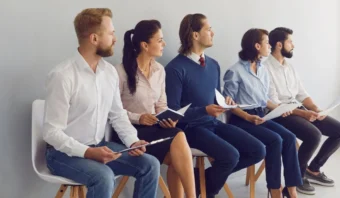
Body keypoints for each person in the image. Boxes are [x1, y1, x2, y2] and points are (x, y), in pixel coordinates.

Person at [43, 8, 160, 198]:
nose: (115, 38)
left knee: (150, 165)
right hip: (62, 154)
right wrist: (88, 152)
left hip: (98, 146)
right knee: (104, 176)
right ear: (94, 39)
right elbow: (51, 133)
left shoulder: (109, 72)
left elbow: (117, 114)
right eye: (111, 33)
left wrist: (133, 140)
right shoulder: (63, 76)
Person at [165, 14, 266, 198]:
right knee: (230, 156)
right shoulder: (175, 68)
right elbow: (173, 113)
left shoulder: (213, 65)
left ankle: (196, 182)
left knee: (258, 149)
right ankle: (205, 193)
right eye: (208, 29)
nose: (213, 32)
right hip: (189, 129)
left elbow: (215, 98)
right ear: (195, 35)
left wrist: (225, 103)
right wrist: (204, 110)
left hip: (212, 124)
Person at [113, 19, 196, 198]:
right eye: (159, 40)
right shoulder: (120, 72)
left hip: (154, 129)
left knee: (177, 139)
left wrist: (167, 119)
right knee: (179, 138)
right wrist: (138, 118)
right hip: (129, 132)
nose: (164, 44)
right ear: (145, 45)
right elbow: (113, 111)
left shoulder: (160, 70)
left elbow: (161, 106)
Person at [223, 28, 302, 198]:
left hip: (260, 116)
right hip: (242, 119)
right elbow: (228, 104)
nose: (269, 45)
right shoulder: (235, 71)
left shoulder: (262, 69)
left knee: (289, 138)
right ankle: (275, 191)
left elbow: (264, 99)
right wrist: (247, 116)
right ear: (257, 46)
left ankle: (292, 191)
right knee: (275, 140)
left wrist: (280, 109)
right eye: (266, 43)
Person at [264, 27, 340, 195]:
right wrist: (304, 113)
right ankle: (296, 178)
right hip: (280, 114)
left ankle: (313, 169)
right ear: (278, 44)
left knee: (338, 130)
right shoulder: (265, 68)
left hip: (297, 109)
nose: (293, 45)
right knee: (313, 135)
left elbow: (302, 94)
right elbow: (274, 103)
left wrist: (317, 110)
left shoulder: (289, 67)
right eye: (290, 41)